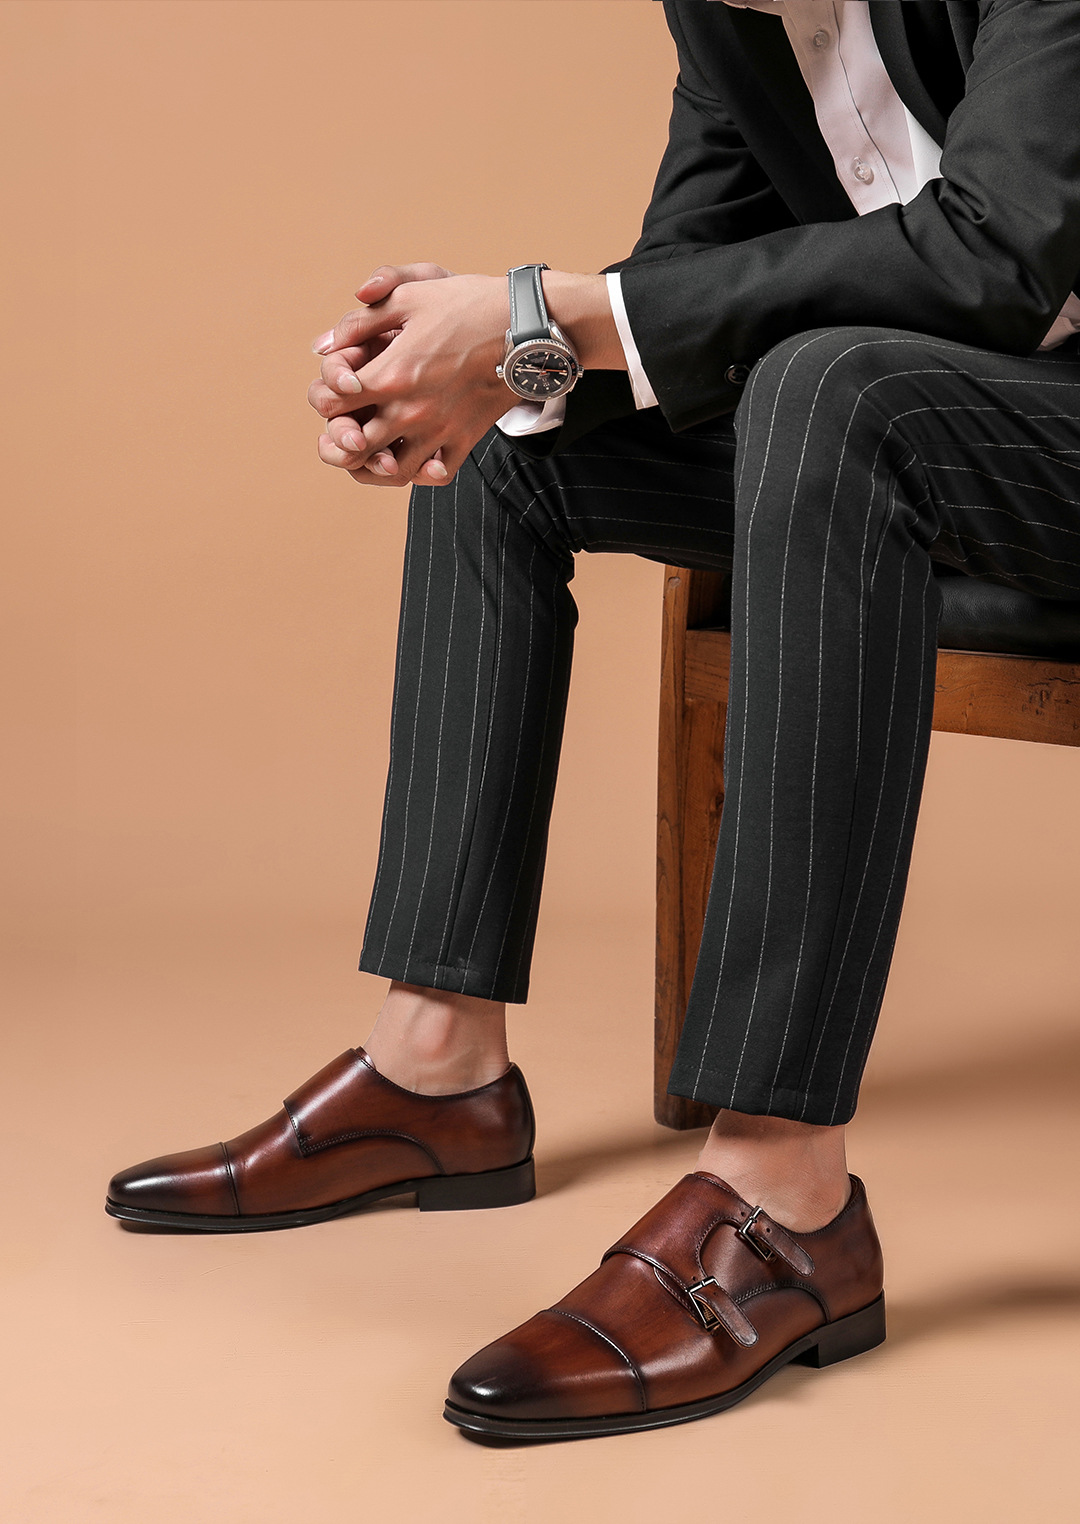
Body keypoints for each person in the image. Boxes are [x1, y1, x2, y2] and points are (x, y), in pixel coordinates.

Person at [107, 1, 1080, 1441]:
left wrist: (535, 313)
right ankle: (437, 1073)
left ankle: (783, 1196)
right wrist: (486, 359)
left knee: (825, 388)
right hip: (927, 427)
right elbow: (684, 291)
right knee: (520, 439)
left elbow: (996, 254)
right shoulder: (729, 13)